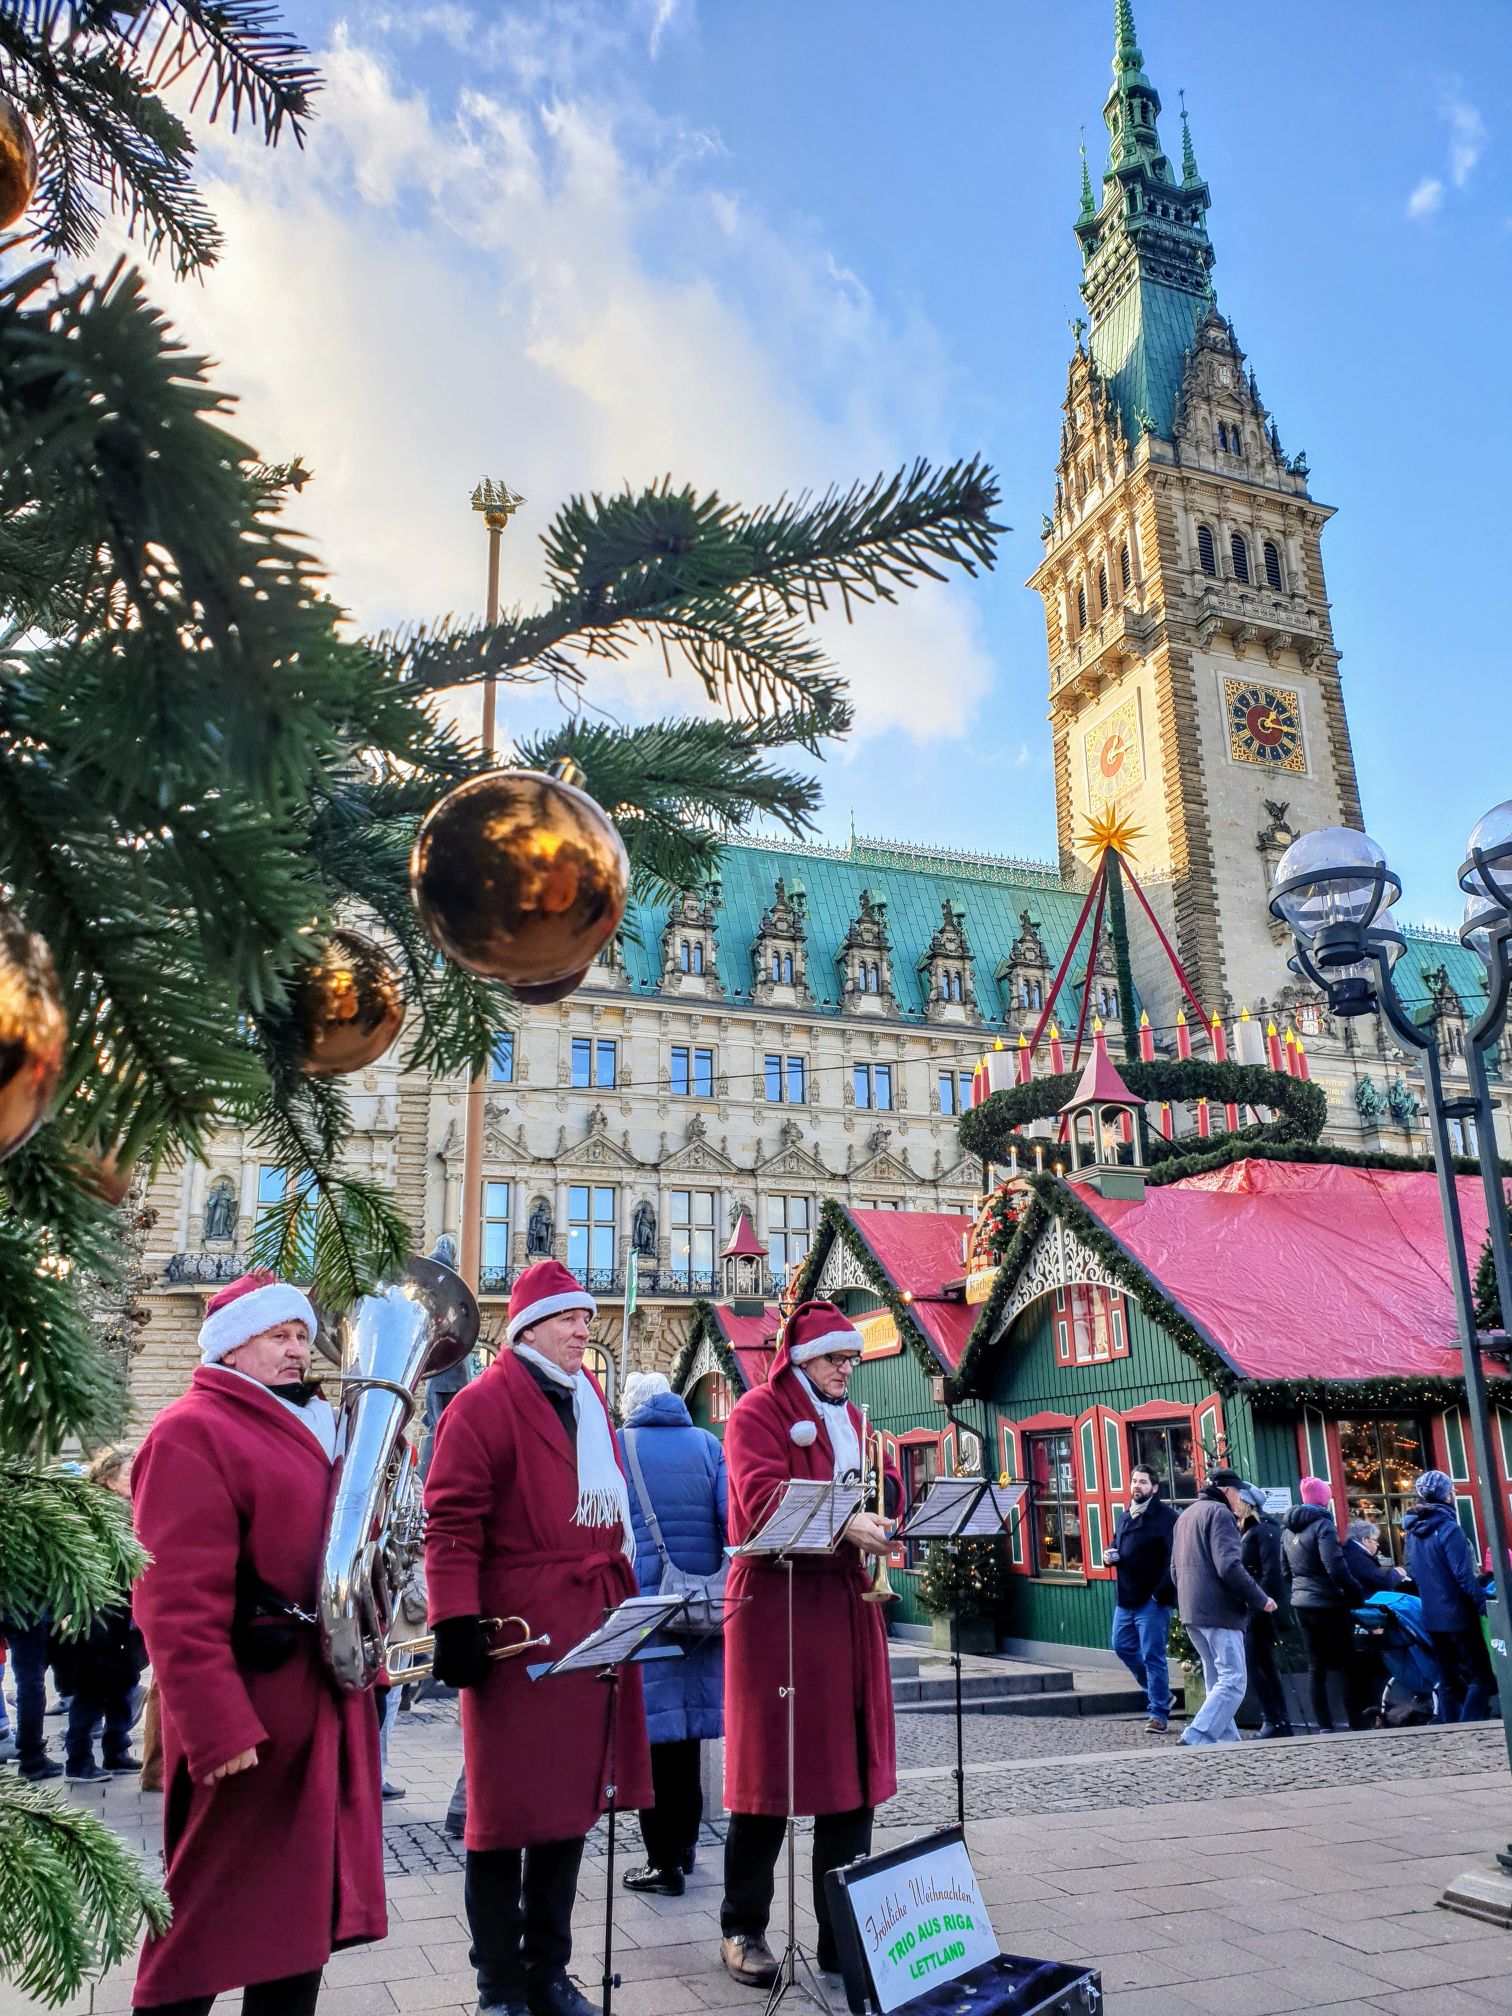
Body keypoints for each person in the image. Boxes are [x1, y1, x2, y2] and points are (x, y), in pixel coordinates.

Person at [129, 1270, 386, 2015]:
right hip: (250, 1718)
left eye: (303, 1335)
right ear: (231, 1346)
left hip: (317, 1704)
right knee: (202, 1929)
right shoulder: (191, 1430)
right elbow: (173, 1601)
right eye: (279, 1334)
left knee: (300, 1927)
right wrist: (217, 1726)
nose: (298, 1350)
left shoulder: (309, 1427)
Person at [425, 1258, 651, 2016]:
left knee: (566, 1812)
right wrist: (453, 1621)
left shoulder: (588, 1397)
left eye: (586, 1318)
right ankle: (499, 1984)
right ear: (526, 1328)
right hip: (515, 1633)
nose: (584, 1330)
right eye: (568, 1318)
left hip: (589, 1624)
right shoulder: (484, 1403)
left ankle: (549, 1973)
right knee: (502, 1818)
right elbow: (450, 1523)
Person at [719, 1299, 897, 1988]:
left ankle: (838, 1936)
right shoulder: (755, 1414)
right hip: (779, 1611)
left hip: (844, 1606)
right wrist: (848, 1521)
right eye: (833, 1359)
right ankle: (743, 1926)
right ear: (799, 1361)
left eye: (850, 1359)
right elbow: (759, 1498)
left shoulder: (854, 1419)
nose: (846, 1370)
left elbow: (871, 1491)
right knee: (769, 1779)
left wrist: (881, 1520)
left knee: (849, 1782)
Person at [616, 1368, 728, 1896]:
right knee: (687, 1738)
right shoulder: (707, 1443)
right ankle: (685, 1846)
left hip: (647, 1604)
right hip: (703, 1606)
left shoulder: (621, 1446)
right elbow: (732, 1519)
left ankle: (662, 1862)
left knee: (654, 1738)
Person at [56, 1446, 147, 1781]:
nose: (134, 1479)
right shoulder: (97, 1516)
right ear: (108, 1479)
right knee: (93, 1689)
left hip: (124, 1614)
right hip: (98, 1613)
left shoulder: (135, 1510)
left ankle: (116, 1751)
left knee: (125, 1682)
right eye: (127, 1473)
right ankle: (78, 1763)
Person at [1169, 1465, 1276, 1746]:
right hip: (1219, 1610)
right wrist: (1260, 1599)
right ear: (1227, 1491)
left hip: (1191, 1609)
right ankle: (1196, 1736)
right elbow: (1229, 1566)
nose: (1240, 1500)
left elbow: (1173, 1569)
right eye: (1239, 1494)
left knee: (1216, 1679)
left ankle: (1227, 1741)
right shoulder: (1220, 1514)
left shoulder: (1187, 1515)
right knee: (1233, 1680)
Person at [1403, 1469, 1496, 1723]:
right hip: (1458, 1613)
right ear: (1445, 1496)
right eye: (1451, 1490)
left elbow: (1411, 1570)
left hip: (1432, 1614)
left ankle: (1448, 1730)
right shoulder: (1449, 1528)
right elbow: (1463, 1576)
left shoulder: (1412, 1532)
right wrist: (1483, 1603)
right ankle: (1468, 1728)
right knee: (1481, 1677)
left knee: (1447, 1679)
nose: (1455, 1493)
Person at [1281, 1477, 1364, 1733]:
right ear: (1323, 1499)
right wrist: (1354, 1591)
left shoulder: (1287, 1530)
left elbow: (1285, 1571)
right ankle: (1355, 1721)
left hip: (1302, 1605)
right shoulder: (1322, 1525)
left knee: (1316, 1667)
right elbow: (1335, 1566)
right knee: (1346, 1665)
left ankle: (1324, 1725)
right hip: (1329, 1604)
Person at [1104, 1463, 1177, 1734]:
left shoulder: (1166, 1518)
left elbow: (1174, 1559)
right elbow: (1116, 1543)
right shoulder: (1126, 1516)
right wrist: (1110, 1553)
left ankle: (1158, 1712)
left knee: (1152, 1655)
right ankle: (1159, 1692)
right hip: (1126, 1596)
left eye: (1143, 1482)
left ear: (1154, 1488)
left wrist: (1160, 1592)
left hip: (1152, 1598)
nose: (1137, 1486)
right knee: (1121, 1645)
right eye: (1134, 1481)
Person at [1236, 1486, 1292, 1737]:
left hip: (1260, 1609)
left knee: (1257, 1664)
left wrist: (1259, 1602)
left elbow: (1271, 1573)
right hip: (1253, 1606)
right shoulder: (1248, 1531)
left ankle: (1274, 1719)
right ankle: (1278, 1720)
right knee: (1263, 1664)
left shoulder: (1264, 1531)